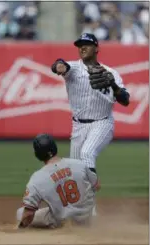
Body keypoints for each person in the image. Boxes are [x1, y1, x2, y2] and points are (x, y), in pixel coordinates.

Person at [51, 33, 130, 175]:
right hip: (78, 126)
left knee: (87, 154)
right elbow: (60, 63)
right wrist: (58, 66)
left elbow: (125, 101)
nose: (82, 48)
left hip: (102, 123)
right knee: (75, 172)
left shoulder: (111, 73)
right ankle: (84, 196)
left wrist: (114, 85)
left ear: (96, 48)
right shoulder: (74, 69)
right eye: (80, 46)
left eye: (86, 45)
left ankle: (91, 190)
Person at [16, 133, 100, 229]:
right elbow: (97, 185)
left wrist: (20, 228)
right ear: (54, 147)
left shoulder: (37, 178)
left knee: (20, 213)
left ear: (37, 154)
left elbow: (28, 214)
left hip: (61, 222)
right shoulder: (79, 164)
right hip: (86, 217)